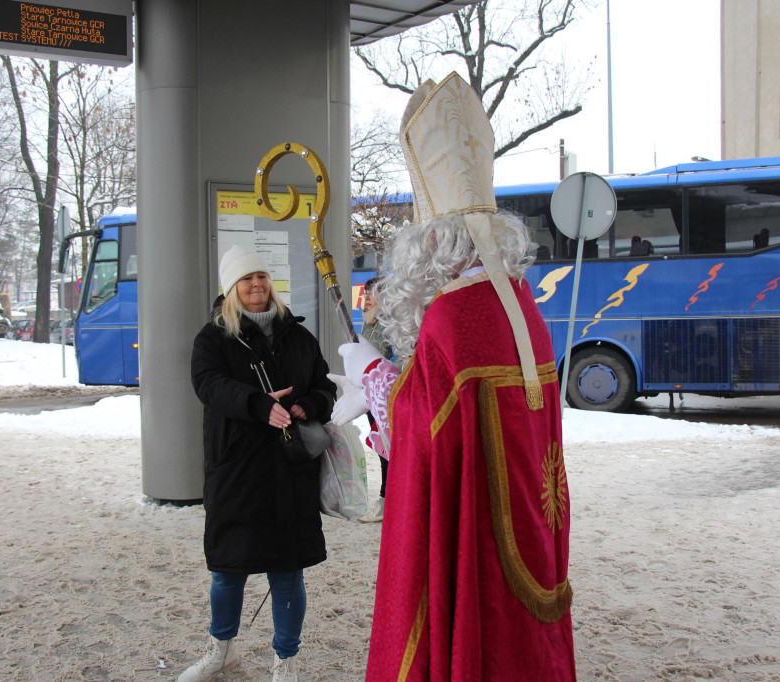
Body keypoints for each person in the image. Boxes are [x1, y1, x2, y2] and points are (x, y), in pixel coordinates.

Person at [334, 73, 574, 680]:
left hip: (479, 550)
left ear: (431, 244)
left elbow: (424, 440)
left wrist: (373, 377)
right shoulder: (521, 304)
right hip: (533, 546)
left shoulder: (450, 315)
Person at [185, 244, 336, 682]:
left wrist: (310, 404)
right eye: (247, 279)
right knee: (228, 570)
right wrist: (256, 404)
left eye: (262, 277)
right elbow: (207, 384)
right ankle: (222, 651)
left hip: (291, 473)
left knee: (287, 574)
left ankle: (285, 664)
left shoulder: (299, 335)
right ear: (232, 287)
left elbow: (325, 386)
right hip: (236, 469)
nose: (257, 284)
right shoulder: (213, 337)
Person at [359, 276, 392, 523]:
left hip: (386, 396)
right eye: (365, 293)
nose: (366, 298)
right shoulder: (367, 323)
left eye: (371, 293)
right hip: (369, 394)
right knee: (380, 447)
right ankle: (385, 499)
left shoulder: (391, 322)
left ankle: (386, 500)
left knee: (387, 449)